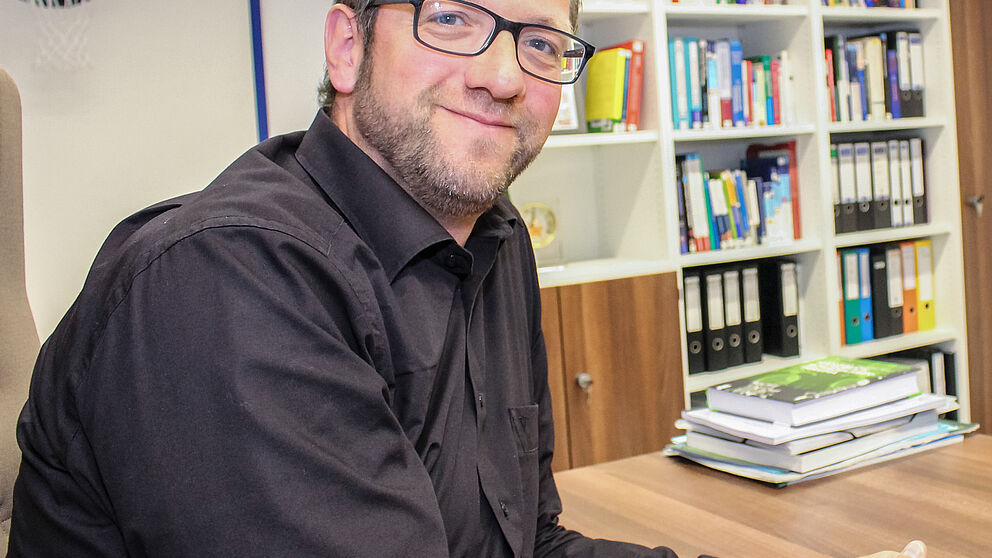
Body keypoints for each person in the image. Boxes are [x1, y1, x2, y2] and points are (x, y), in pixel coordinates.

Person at [7, 0, 926, 556]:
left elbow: (528, 543)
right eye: (451, 18)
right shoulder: (229, 280)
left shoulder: (495, 238)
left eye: (543, 42)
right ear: (346, 46)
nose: (501, 76)